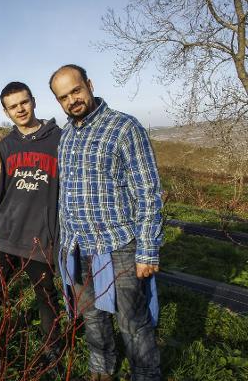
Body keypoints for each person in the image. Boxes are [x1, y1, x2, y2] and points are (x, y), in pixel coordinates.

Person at [50, 64, 162, 381]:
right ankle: (101, 370)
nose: (72, 100)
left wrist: (148, 251)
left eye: (76, 90)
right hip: (78, 246)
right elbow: (66, 194)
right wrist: (64, 247)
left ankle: (146, 375)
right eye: (63, 97)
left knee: (132, 321)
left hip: (119, 247)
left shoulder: (125, 127)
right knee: (92, 317)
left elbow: (149, 191)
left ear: (89, 84)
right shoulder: (67, 135)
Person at [0, 81, 62, 358]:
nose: (20, 109)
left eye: (24, 102)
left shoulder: (59, 139)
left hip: (40, 236)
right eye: (13, 106)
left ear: (34, 101)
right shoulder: (6, 145)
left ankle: (52, 348)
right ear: (6, 112)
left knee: (46, 296)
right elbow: (2, 189)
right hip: (7, 232)